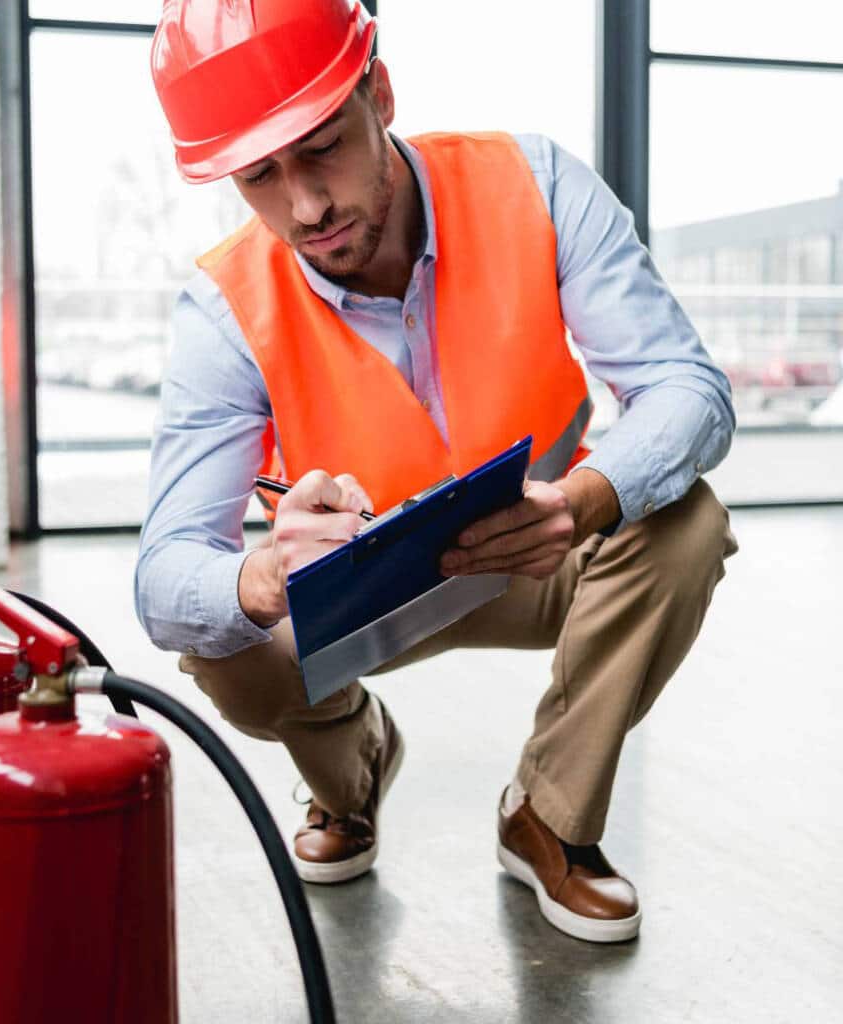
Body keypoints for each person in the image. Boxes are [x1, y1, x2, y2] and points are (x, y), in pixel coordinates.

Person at [135, 0, 737, 943]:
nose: (306, 206)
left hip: (542, 551)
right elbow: (165, 575)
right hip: (360, 596)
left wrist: (583, 501)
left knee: (687, 520)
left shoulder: (533, 183)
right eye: (259, 175)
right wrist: (263, 577)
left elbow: (688, 389)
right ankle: (353, 772)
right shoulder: (222, 310)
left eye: (323, 147)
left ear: (377, 90)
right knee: (228, 652)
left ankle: (548, 818)